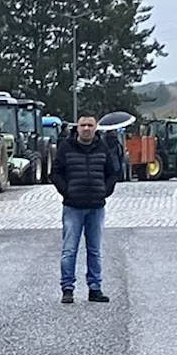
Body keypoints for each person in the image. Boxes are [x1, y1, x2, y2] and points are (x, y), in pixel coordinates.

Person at [50, 112, 118, 304]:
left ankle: (95, 288)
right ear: (77, 127)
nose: (87, 128)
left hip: (96, 207)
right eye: (83, 125)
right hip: (73, 207)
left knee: (95, 250)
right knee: (69, 249)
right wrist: (67, 192)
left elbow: (112, 173)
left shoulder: (102, 148)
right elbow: (55, 173)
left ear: (95, 127)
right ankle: (67, 289)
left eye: (90, 125)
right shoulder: (66, 148)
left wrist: (104, 191)